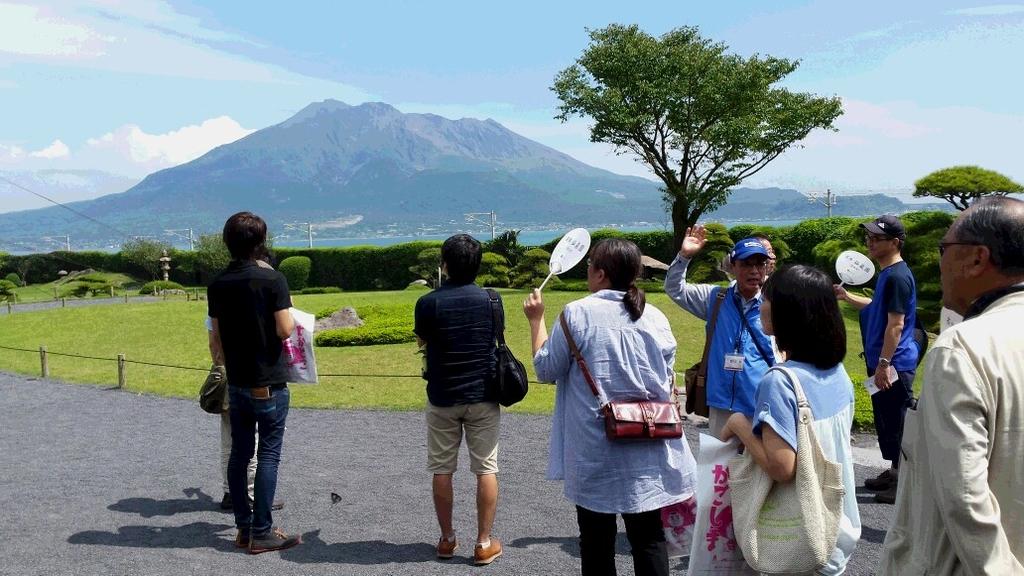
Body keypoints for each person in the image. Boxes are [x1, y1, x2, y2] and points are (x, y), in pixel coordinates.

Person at [524, 238, 698, 576]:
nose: (588, 270)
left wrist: (536, 320)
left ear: (600, 274)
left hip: (595, 446)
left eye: (590, 265)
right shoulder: (655, 316)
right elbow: (664, 380)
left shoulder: (578, 313)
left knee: (596, 540)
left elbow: (546, 369)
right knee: (648, 538)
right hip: (649, 441)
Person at [879, 197, 1024, 574]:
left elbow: (964, 498)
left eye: (944, 249)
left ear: (977, 258)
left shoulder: (963, 346)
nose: (939, 261)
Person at [720, 265, 861, 575]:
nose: (762, 302)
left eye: (769, 296)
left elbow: (781, 467)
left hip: (798, 538)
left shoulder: (780, 382)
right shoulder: (838, 373)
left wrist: (740, 425)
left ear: (790, 311)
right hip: (836, 527)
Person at [208, 211, 300, 554]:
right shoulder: (273, 280)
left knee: (239, 454)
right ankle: (262, 530)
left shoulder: (217, 283)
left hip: (238, 382)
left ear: (227, 243)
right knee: (269, 455)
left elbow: (215, 339)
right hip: (269, 382)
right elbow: (284, 328)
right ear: (261, 242)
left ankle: (244, 528)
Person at [414, 234, 503, 566]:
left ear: (445, 264)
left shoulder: (428, 302)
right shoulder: (492, 300)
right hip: (483, 394)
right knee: (486, 468)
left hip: (442, 395)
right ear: (478, 264)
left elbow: (423, 340)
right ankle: (483, 543)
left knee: (442, 468)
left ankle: (447, 539)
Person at [833, 215, 918, 504]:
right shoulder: (888, 274)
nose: (869, 242)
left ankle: (904, 483)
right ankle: (894, 473)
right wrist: (847, 297)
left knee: (899, 423)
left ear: (894, 242)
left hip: (894, 364)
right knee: (887, 421)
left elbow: (896, 324)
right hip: (884, 362)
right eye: (868, 237)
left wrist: (884, 364)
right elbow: (876, 305)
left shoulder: (896, 276)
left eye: (876, 238)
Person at [665, 226, 776, 433]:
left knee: (758, 464)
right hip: (722, 404)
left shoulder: (776, 302)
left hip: (762, 404)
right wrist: (684, 256)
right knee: (720, 465)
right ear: (733, 266)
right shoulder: (716, 298)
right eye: (746, 264)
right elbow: (674, 289)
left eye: (760, 264)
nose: (754, 271)